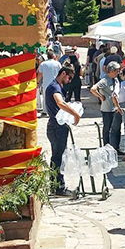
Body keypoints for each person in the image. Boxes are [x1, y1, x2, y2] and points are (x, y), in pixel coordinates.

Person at [45, 64, 80, 195]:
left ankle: (56, 185)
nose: (69, 81)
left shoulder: (57, 86)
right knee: (58, 158)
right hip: (56, 127)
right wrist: (75, 114)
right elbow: (60, 102)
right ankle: (58, 187)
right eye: (69, 77)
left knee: (58, 157)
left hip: (57, 126)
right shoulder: (55, 87)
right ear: (63, 74)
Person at [90, 62, 121, 148]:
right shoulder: (104, 80)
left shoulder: (115, 79)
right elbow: (93, 89)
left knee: (116, 129)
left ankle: (115, 147)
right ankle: (106, 147)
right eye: (116, 71)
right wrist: (100, 96)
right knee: (107, 129)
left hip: (115, 108)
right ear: (111, 70)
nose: (118, 72)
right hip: (107, 109)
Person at [37, 50, 61, 117]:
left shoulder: (43, 64)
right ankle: (56, 110)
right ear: (53, 56)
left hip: (46, 84)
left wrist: (37, 81)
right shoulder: (57, 63)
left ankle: (45, 111)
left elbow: (40, 74)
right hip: (56, 84)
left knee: (45, 98)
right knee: (56, 97)